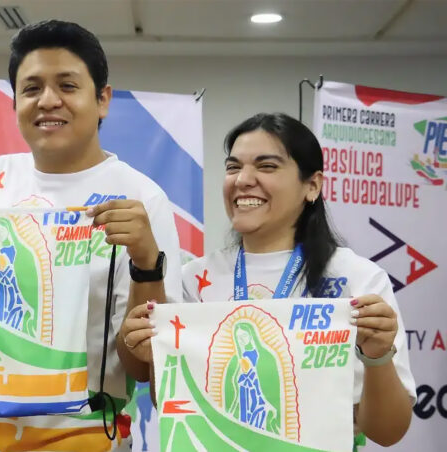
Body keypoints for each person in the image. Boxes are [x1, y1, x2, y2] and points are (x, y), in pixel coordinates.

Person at [0, 20, 182, 451]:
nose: (48, 101)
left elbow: (146, 366)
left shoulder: (141, 198)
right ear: (15, 99)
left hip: (85, 434)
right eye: (31, 88)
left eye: (68, 85)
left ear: (103, 99)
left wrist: (147, 265)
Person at [121, 112, 416, 447]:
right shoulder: (195, 278)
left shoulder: (356, 279)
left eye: (266, 166)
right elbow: (171, 400)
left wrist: (377, 355)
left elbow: (388, 432)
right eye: (233, 167)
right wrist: (152, 350)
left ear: (312, 185)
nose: (243, 180)